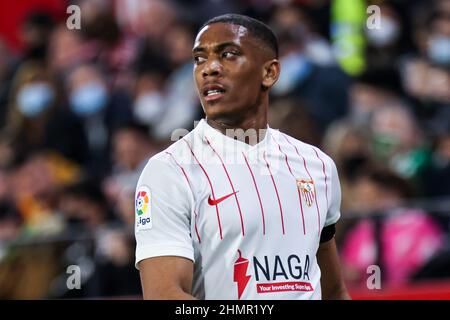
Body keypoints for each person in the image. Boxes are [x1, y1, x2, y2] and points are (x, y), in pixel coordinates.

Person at [135, 14, 350, 300]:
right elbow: (164, 295)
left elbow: (333, 292)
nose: (209, 68)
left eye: (227, 54)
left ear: (270, 73)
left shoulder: (318, 166)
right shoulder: (169, 171)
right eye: (199, 59)